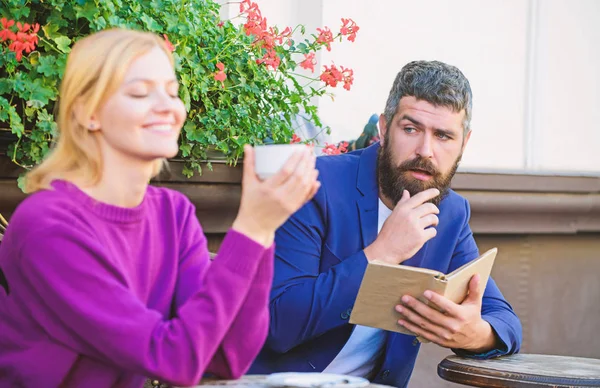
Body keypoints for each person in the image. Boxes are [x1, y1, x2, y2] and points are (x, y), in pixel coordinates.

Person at [0, 28, 319, 388]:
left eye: (172, 91)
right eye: (139, 93)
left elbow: (227, 355)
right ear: (88, 113)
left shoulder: (173, 214)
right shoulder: (49, 225)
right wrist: (251, 229)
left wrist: (262, 233)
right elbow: (173, 359)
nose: (169, 107)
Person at [250, 60, 522, 387]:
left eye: (444, 136)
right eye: (410, 129)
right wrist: (381, 253)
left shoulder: (451, 214)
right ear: (383, 128)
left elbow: (505, 322)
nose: (425, 151)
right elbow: (278, 325)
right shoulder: (317, 186)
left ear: (464, 144)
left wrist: (474, 334)